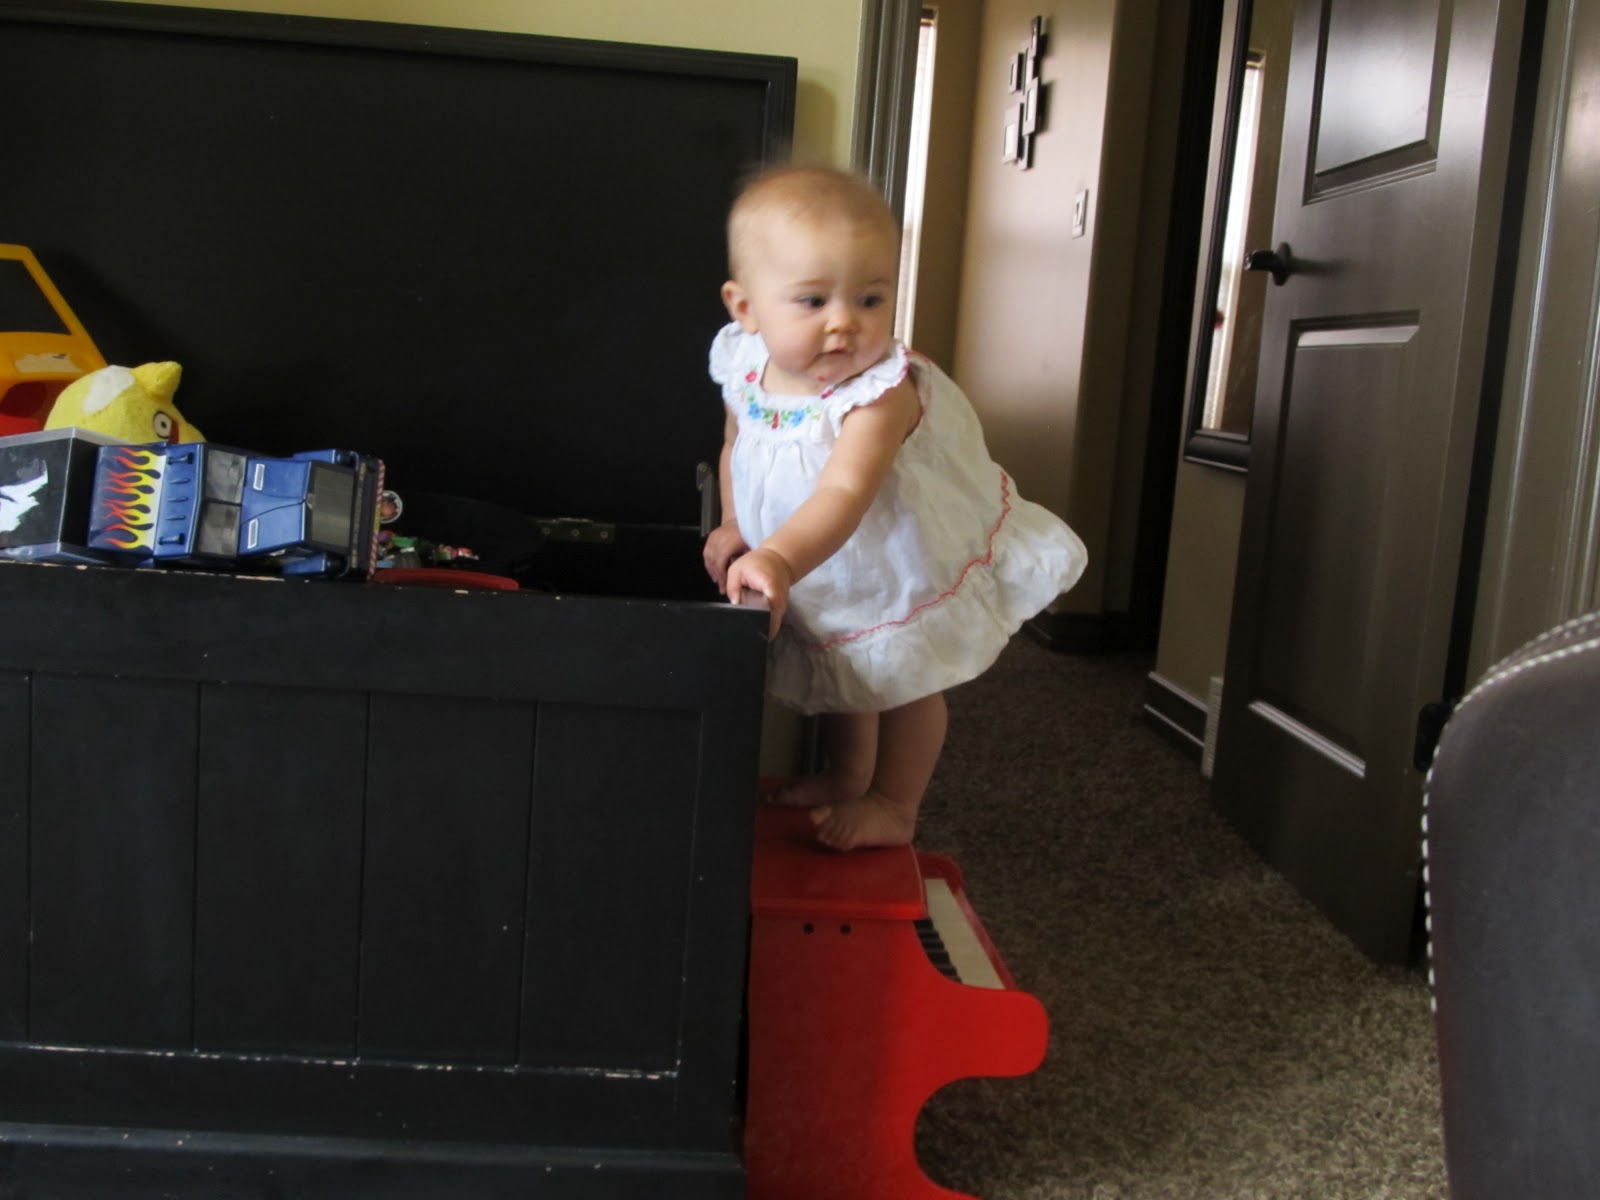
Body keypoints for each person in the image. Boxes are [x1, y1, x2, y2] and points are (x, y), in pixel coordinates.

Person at [704, 164, 1087, 851]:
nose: (845, 323)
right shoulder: (746, 369)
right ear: (746, 308)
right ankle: (848, 776)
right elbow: (736, 446)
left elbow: (843, 492)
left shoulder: (879, 392)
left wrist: (780, 556)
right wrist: (735, 523)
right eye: (813, 300)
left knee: (902, 679)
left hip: (883, 561)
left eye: (871, 299)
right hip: (811, 563)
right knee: (847, 667)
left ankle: (894, 802)